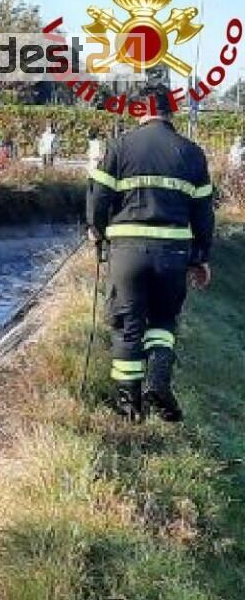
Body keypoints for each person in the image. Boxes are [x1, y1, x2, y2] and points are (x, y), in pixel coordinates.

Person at [87, 84, 214, 422]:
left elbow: (98, 196)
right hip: (173, 252)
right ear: (171, 111)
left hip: (127, 252)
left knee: (127, 324)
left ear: (140, 110)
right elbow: (204, 211)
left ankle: (129, 408)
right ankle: (157, 380)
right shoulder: (192, 153)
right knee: (163, 320)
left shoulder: (119, 146)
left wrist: (96, 229)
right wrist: (201, 257)